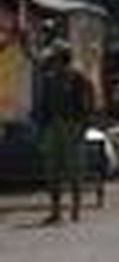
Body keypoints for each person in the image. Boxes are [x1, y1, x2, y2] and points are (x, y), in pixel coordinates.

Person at [36, 42, 95, 225]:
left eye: (54, 58)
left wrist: (84, 124)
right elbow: (44, 104)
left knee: (74, 169)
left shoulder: (78, 77)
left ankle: (75, 210)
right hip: (54, 125)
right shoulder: (49, 78)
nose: (52, 62)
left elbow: (89, 99)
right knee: (52, 170)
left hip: (72, 126)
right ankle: (55, 211)